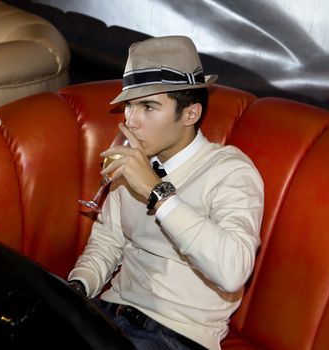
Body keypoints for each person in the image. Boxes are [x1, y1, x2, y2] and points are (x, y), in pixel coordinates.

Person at [68, 36, 264, 350]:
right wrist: (77, 288)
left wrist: (156, 191)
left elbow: (232, 272)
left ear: (190, 114)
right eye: (129, 105)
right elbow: (107, 244)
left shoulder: (230, 171)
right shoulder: (133, 161)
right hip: (107, 314)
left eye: (148, 106)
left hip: (175, 336)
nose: (131, 120)